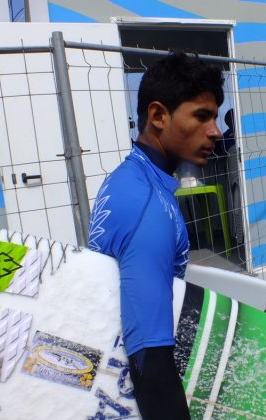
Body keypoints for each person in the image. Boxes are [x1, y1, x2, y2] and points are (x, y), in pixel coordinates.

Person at [88, 51, 224, 419]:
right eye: (201, 116)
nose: (216, 130)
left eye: (215, 116)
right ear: (158, 116)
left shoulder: (130, 179)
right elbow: (150, 358)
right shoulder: (147, 206)